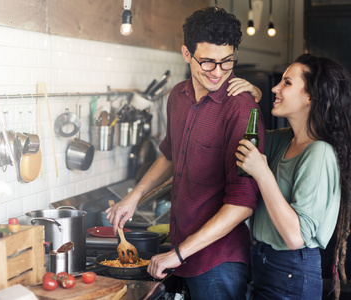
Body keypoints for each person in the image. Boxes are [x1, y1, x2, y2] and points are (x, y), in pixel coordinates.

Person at [106, 6, 265, 299]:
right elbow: (169, 154)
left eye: (227, 62)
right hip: (180, 252)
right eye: (207, 63)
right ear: (186, 54)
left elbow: (242, 204)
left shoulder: (242, 109)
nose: (218, 73)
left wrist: (178, 254)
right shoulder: (177, 96)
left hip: (219, 262)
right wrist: (134, 195)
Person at [235, 53, 351, 300]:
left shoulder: (319, 153)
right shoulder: (283, 140)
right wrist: (250, 97)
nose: (276, 87)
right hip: (264, 265)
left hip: (291, 273)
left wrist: (262, 172)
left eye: (287, 83)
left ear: (310, 97)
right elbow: (240, 136)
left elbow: (295, 236)